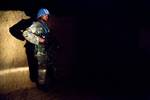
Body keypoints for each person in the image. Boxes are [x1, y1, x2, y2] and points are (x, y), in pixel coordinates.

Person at [23, 8, 57, 90]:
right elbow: (26, 33)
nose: (47, 16)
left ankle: (47, 84)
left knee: (48, 68)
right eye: (45, 15)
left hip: (46, 50)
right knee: (42, 69)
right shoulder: (37, 24)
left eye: (47, 15)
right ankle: (42, 86)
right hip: (40, 51)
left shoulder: (44, 25)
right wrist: (38, 39)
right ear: (40, 15)